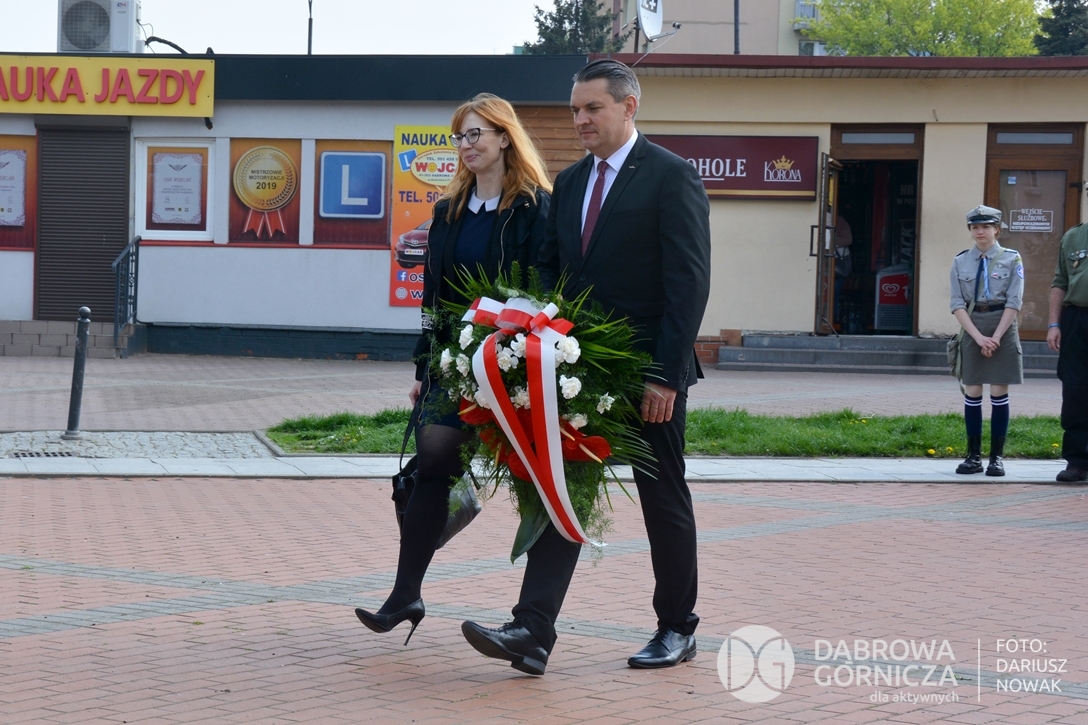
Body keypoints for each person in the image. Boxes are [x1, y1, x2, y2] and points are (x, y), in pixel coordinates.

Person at [459, 59, 711, 675]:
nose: (580, 120)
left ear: (629, 107)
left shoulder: (671, 176)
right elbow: (551, 270)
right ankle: (532, 630)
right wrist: (532, 339)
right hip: (576, 367)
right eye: (575, 110)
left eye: (592, 108)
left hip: (648, 373)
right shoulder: (569, 183)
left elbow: (689, 284)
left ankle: (677, 627)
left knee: (661, 494)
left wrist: (666, 376)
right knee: (560, 486)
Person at [354, 93, 552, 643]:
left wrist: (520, 343)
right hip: (454, 358)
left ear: (505, 137)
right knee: (434, 458)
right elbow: (433, 299)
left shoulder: (535, 207)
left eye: (476, 134)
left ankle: (532, 622)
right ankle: (405, 595)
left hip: (515, 360)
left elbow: (545, 285)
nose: (466, 145)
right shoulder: (449, 211)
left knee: (534, 479)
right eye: (460, 136)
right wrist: (424, 368)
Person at [949, 205, 1024, 477]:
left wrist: (996, 337)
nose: (980, 232)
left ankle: (996, 458)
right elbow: (957, 303)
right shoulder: (960, 261)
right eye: (975, 227)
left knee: (999, 392)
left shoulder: (1012, 259)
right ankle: (973, 457)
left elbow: (1014, 301)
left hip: (1002, 325)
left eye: (986, 227)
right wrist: (979, 337)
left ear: (997, 230)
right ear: (970, 230)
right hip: (973, 327)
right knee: (972, 392)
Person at [1047, 220, 1088, 483]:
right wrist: (1054, 324)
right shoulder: (1073, 237)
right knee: (1075, 389)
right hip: (1077, 320)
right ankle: (1077, 462)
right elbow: (1060, 282)